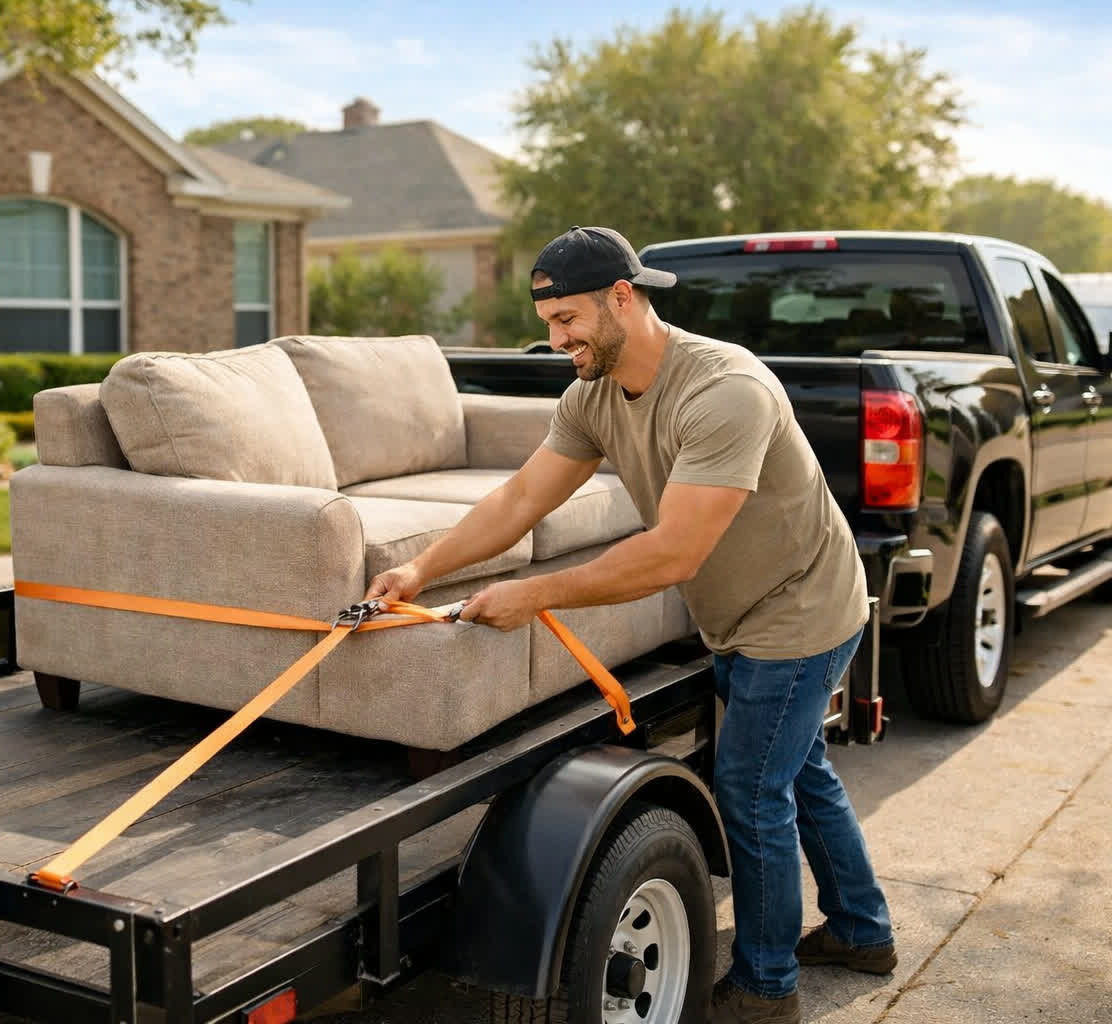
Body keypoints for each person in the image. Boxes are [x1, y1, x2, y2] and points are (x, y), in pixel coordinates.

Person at [365, 226, 895, 1024]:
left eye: (569, 318)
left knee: (751, 791)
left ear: (624, 297)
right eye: (548, 322)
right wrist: (420, 569)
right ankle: (862, 931)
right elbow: (517, 502)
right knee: (796, 770)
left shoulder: (724, 390)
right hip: (739, 613)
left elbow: (673, 553)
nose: (557, 339)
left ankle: (766, 987)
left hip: (800, 609)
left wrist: (535, 595)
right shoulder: (592, 396)